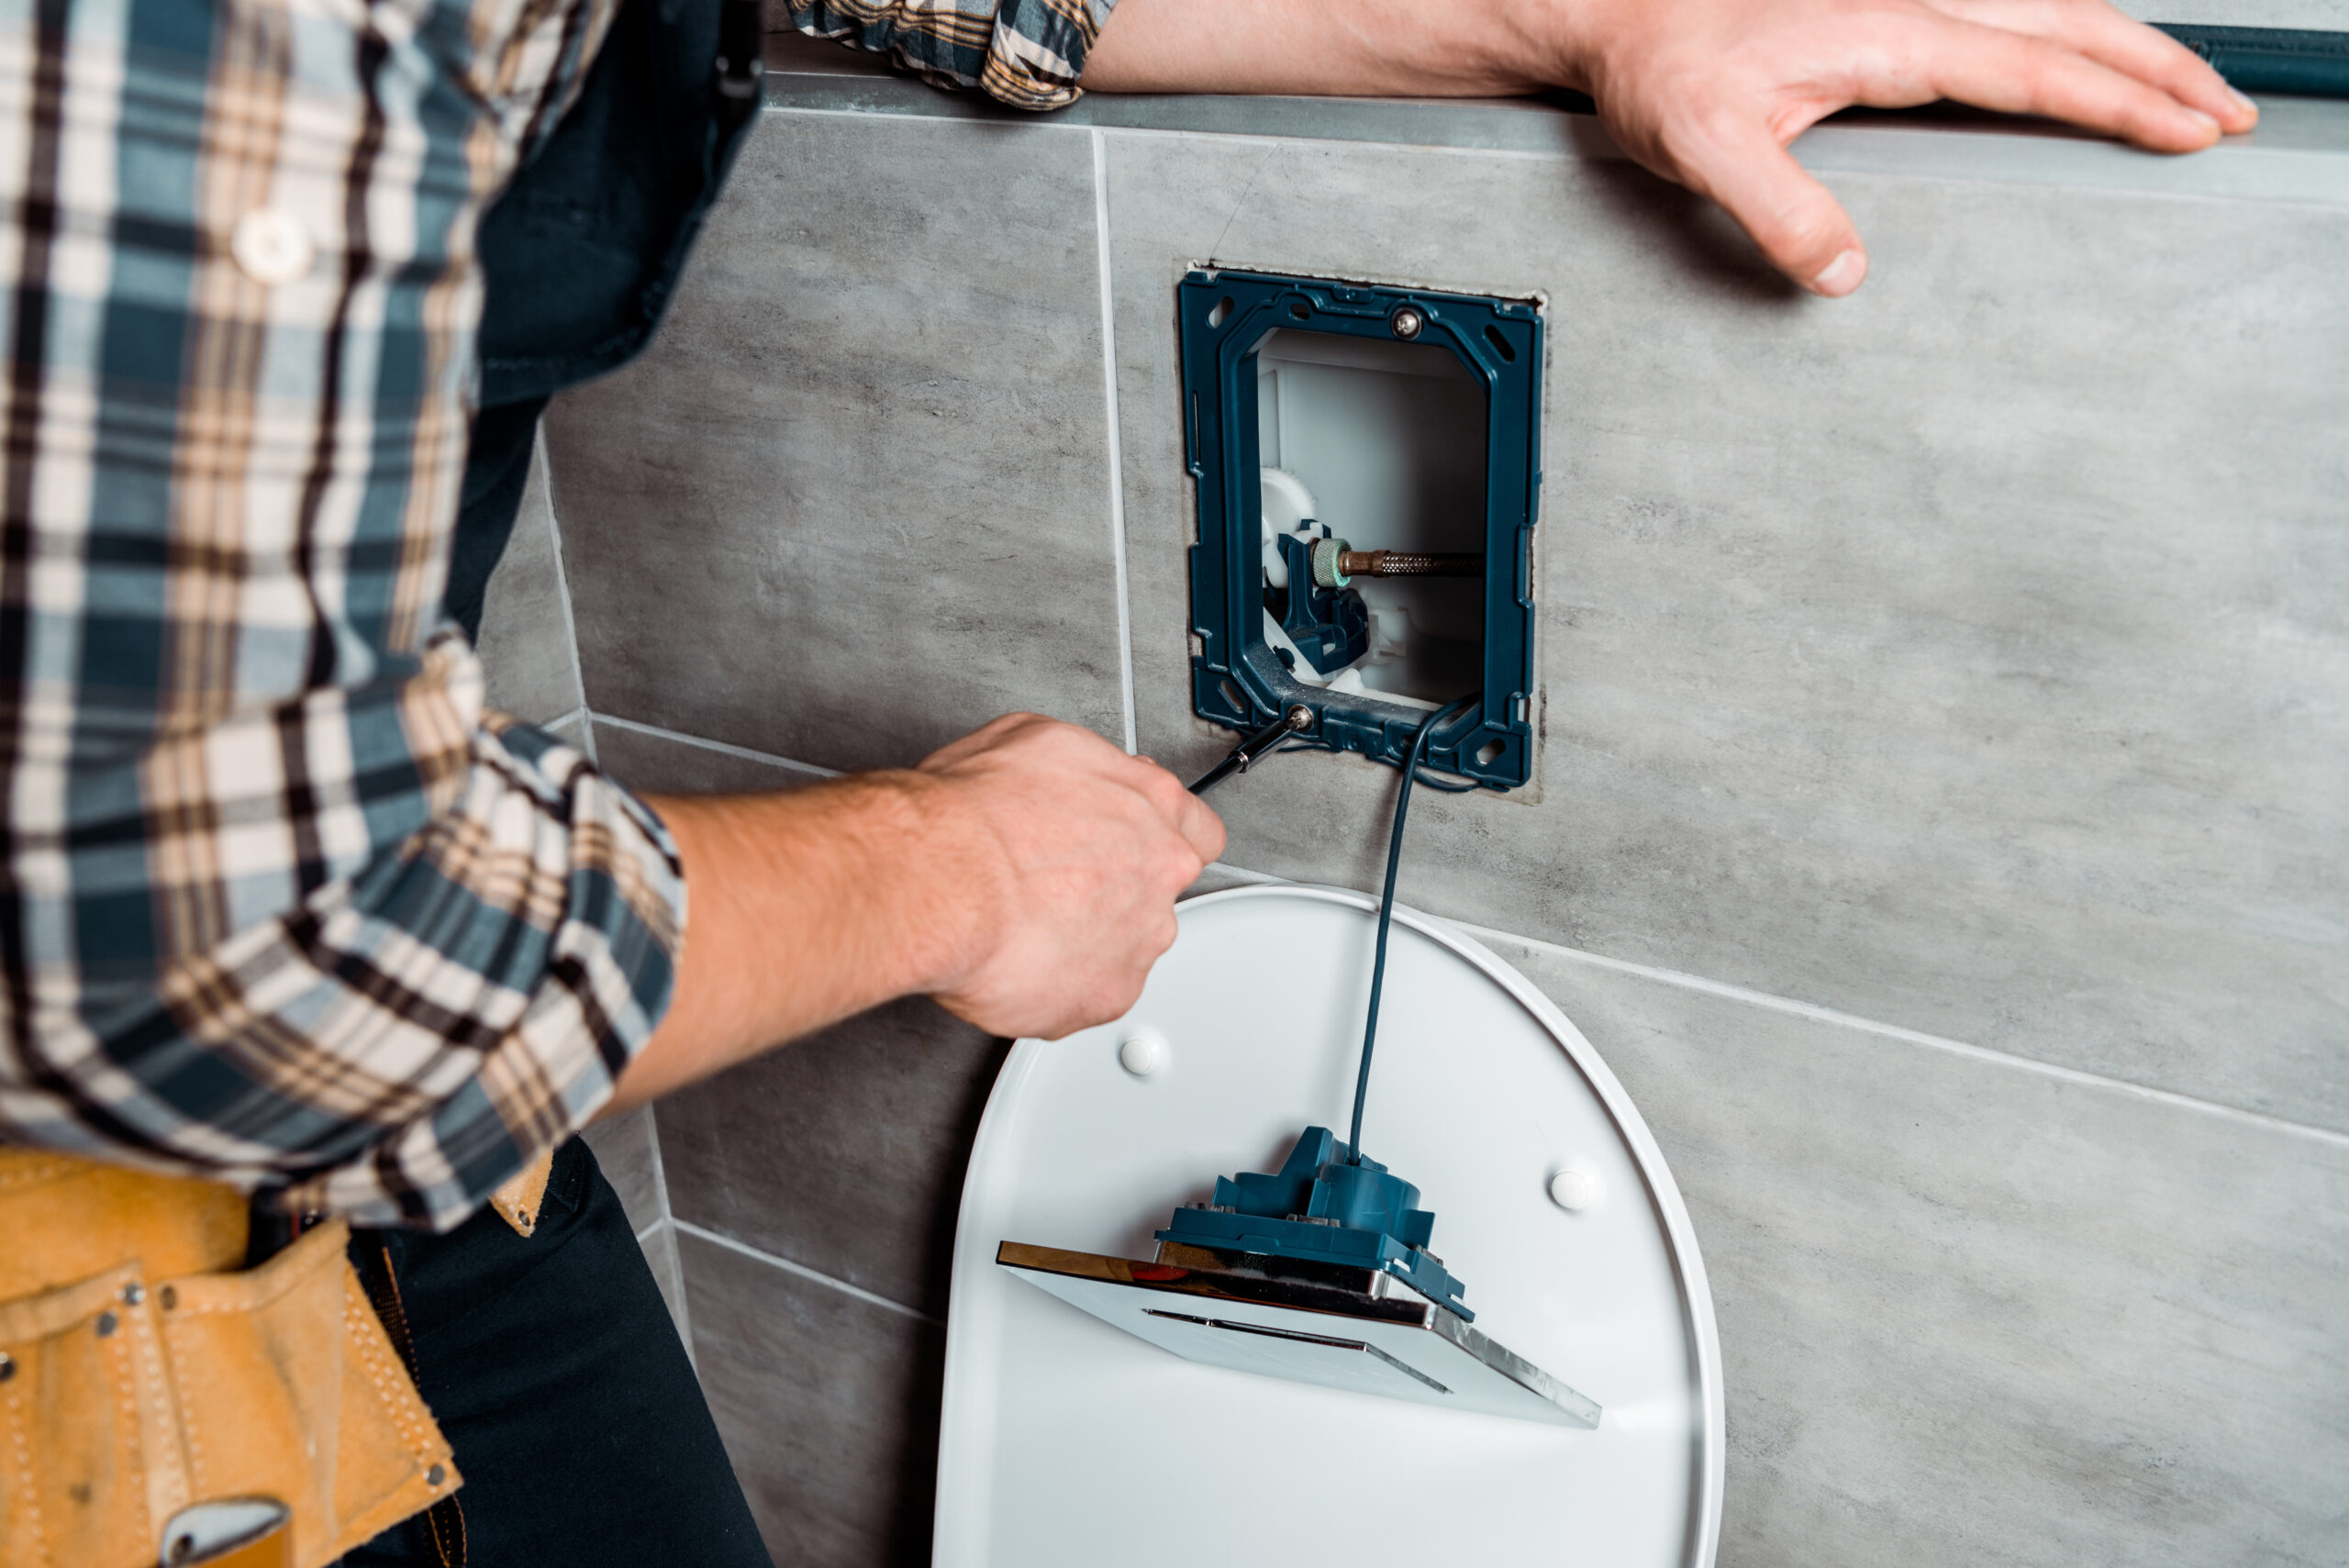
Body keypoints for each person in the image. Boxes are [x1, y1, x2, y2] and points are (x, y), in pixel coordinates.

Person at [0, 0, 2249, 1560]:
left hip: (421, 1143)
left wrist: (1571, 32)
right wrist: (950, 866)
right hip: (146, 1217)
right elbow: (223, 962)